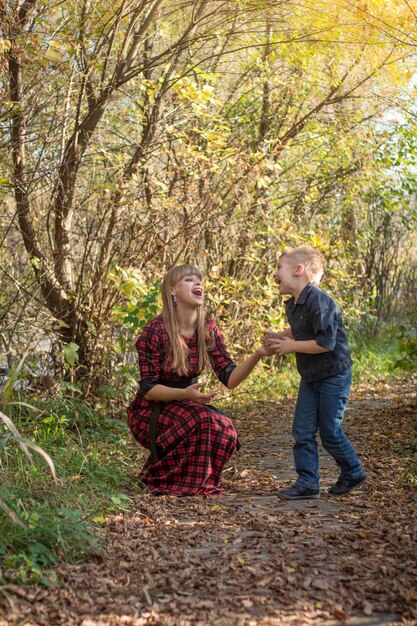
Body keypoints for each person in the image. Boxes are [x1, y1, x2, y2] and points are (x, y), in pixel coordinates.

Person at [128, 264, 270, 496]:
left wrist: (258, 354)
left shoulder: (207, 328)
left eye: (199, 280)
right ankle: (161, 479)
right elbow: (149, 389)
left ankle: (183, 479)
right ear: (172, 291)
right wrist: (186, 394)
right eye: (188, 280)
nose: (198, 283)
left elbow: (230, 378)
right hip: (149, 410)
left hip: (184, 405)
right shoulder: (155, 330)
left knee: (225, 429)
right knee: (204, 420)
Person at [263, 246, 366, 500]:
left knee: (330, 431)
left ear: (298, 270)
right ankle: (307, 482)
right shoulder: (295, 304)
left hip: (334, 375)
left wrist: (290, 347)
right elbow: (300, 329)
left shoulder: (321, 300)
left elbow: (325, 343)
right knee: (302, 430)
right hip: (311, 377)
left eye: (279, 268)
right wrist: (281, 336)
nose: (275, 274)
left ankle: (353, 470)